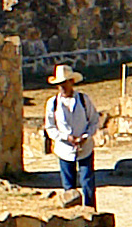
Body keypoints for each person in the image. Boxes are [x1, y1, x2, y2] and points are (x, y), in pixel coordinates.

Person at [42, 63, 103, 207]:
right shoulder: (53, 103)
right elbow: (50, 126)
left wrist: (86, 136)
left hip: (84, 148)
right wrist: (64, 138)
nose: (62, 86)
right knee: (69, 187)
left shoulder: (83, 99)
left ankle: (90, 211)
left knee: (87, 182)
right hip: (64, 149)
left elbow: (94, 120)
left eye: (65, 83)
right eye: (60, 84)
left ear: (72, 82)